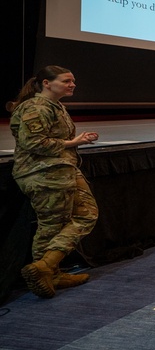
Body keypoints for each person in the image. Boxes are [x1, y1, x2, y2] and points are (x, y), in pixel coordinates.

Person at [9, 66, 100, 299]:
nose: (72, 85)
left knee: (87, 213)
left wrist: (76, 141)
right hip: (43, 173)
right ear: (46, 83)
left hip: (63, 169)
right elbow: (35, 143)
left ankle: (47, 267)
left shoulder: (56, 106)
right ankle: (48, 273)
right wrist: (73, 142)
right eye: (66, 81)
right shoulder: (34, 107)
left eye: (73, 81)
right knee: (50, 225)